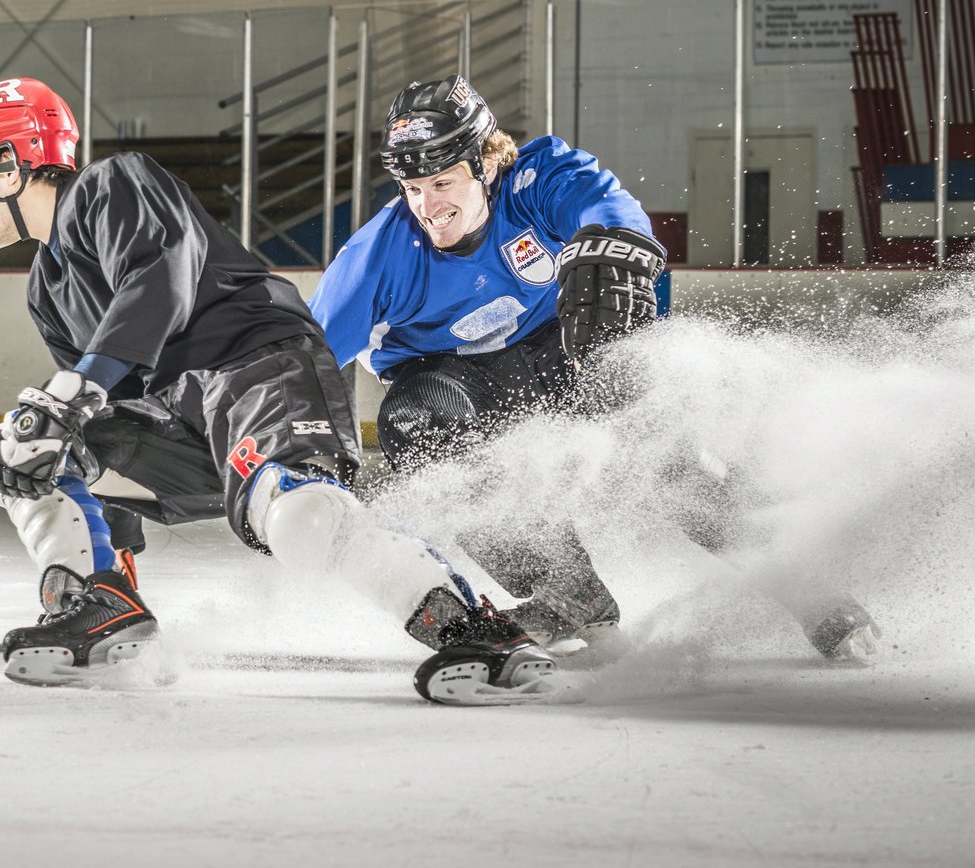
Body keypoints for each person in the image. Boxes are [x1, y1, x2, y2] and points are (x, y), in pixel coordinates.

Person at [0, 76, 572, 705]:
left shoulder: (111, 184)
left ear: (10, 162)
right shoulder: (47, 289)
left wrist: (75, 389)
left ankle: (478, 630)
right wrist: (115, 561)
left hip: (260, 367)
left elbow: (161, 278)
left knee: (302, 519)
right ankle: (96, 608)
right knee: (23, 451)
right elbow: (113, 412)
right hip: (179, 417)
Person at [309, 74, 880, 662]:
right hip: (454, 378)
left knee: (662, 449)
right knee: (418, 423)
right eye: (411, 188)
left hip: (563, 350)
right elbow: (301, 358)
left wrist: (611, 246)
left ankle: (809, 589)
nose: (428, 207)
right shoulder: (375, 256)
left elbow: (608, 209)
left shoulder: (539, 177)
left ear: (485, 162)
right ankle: (568, 594)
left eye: (442, 182)